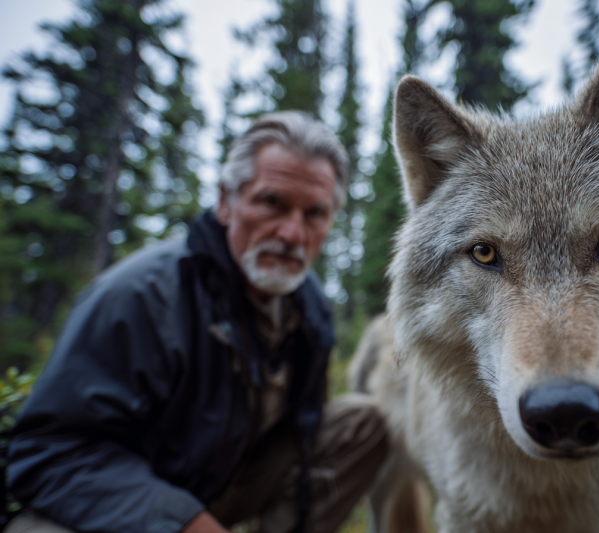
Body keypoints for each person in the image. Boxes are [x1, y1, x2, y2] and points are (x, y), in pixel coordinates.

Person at [5, 112, 388, 533]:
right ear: (226, 201)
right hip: (122, 505)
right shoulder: (140, 296)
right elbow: (49, 453)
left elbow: (299, 435)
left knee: (364, 424)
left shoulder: (309, 308)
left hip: (222, 484)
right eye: (272, 203)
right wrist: (181, 521)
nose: (293, 233)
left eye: (314, 212)